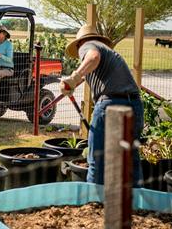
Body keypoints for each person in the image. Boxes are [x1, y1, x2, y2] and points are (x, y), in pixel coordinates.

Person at [60, 25, 143, 187]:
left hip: (110, 104)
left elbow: (93, 58)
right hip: (134, 105)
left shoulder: (88, 45)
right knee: (130, 161)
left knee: (97, 160)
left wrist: (74, 77)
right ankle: (137, 206)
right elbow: (92, 68)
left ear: (79, 44)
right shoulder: (108, 52)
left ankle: (93, 204)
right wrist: (71, 85)